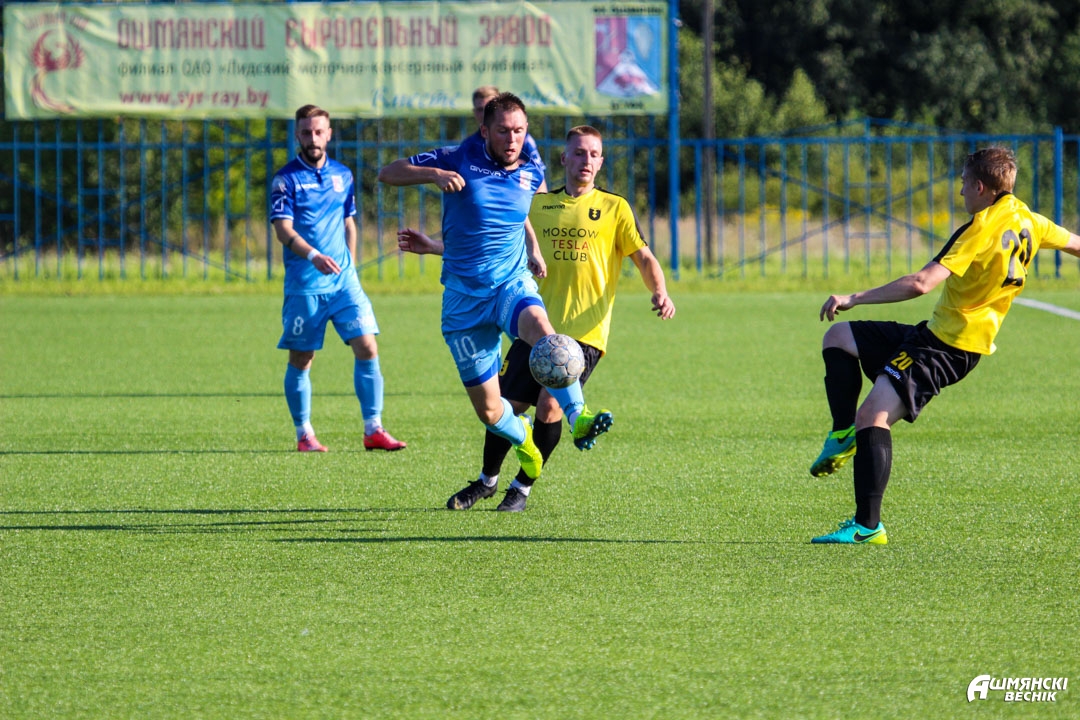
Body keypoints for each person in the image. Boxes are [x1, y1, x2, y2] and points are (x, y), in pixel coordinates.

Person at [810, 147, 1080, 544]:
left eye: (964, 183)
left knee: (873, 416)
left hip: (948, 347)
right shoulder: (1031, 220)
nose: (961, 192)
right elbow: (1076, 243)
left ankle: (867, 527)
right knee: (838, 338)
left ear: (981, 187)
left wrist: (854, 297)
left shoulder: (980, 228)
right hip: (934, 334)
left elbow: (921, 283)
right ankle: (841, 434)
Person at [399, 125, 675, 512]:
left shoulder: (615, 208)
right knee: (505, 407)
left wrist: (659, 289)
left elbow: (643, 258)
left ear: (601, 162)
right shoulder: (537, 205)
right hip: (533, 323)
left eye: (594, 154)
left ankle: (522, 487)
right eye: (578, 153)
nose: (586, 160)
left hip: (584, 332)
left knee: (548, 406)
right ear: (564, 158)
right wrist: (433, 247)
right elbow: (488, 245)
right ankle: (486, 481)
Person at [377, 93, 612, 507]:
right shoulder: (457, 157)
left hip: (510, 285)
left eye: (519, 130)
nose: (512, 138)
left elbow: (520, 214)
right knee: (489, 410)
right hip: (464, 303)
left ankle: (579, 417)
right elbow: (388, 173)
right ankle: (523, 439)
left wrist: (532, 248)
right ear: (485, 131)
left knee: (546, 336)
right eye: (503, 130)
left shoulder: (531, 171)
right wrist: (434, 175)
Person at [270, 104, 406, 453]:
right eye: (306, 132)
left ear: (329, 134)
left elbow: (349, 222)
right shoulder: (286, 179)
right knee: (302, 359)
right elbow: (283, 230)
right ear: (297, 135)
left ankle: (373, 428)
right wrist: (313, 256)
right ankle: (304, 434)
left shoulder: (343, 175)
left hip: (344, 284)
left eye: (319, 132)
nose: (313, 138)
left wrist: (351, 266)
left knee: (368, 346)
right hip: (305, 285)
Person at [471, 85, 548, 193]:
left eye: (489, 108)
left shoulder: (523, 140)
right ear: (474, 112)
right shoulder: (471, 144)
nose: (485, 114)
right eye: (480, 110)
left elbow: (538, 178)